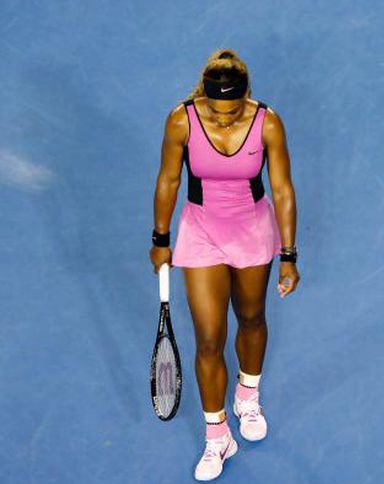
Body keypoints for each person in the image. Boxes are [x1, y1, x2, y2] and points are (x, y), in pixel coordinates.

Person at [149, 48, 300, 481]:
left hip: (253, 231)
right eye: (216, 111)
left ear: (246, 97)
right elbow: (169, 179)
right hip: (201, 233)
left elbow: (282, 189)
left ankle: (247, 395)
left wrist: (288, 254)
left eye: (232, 112)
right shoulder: (181, 120)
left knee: (251, 317)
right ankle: (217, 436)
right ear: (205, 97)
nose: (224, 118)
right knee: (209, 338)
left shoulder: (268, 123)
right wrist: (161, 239)